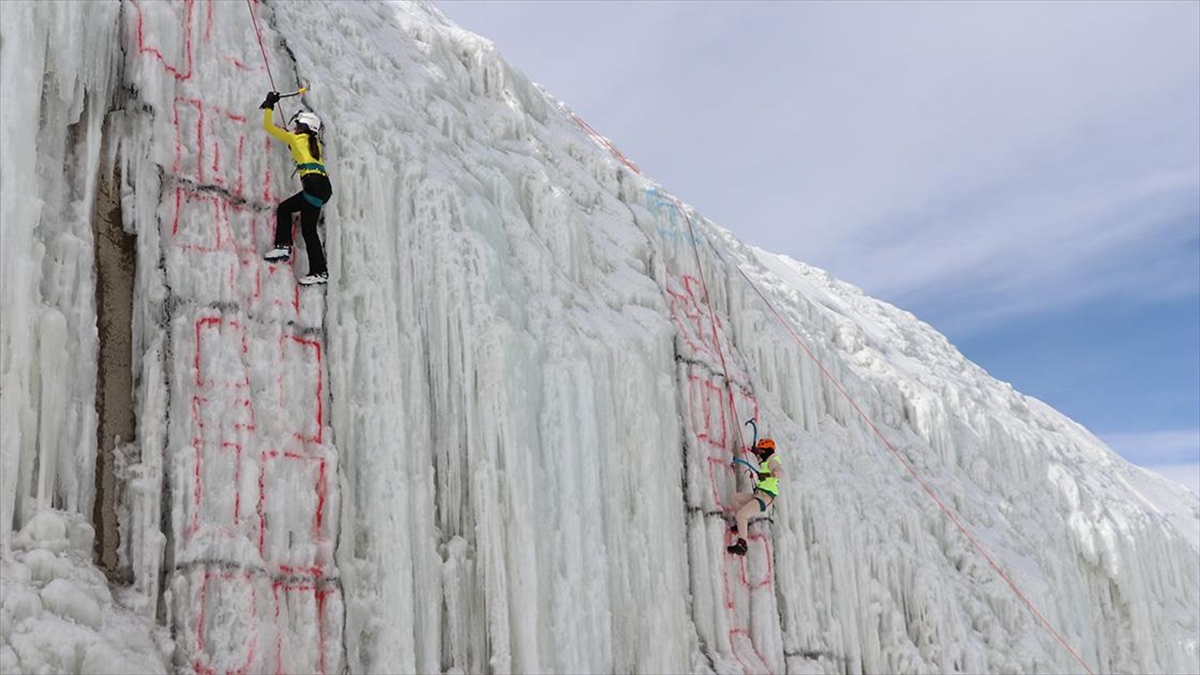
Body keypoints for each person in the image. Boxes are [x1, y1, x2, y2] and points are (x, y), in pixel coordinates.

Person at [260, 91, 332, 285]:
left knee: (298, 221)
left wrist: (269, 105)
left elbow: (267, 126)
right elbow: (301, 151)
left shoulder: (297, 139)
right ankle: (318, 270)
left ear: (304, 127)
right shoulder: (313, 142)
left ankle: (286, 250)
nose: (294, 127)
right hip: (322, 187)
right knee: (303, 224)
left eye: (297, 124)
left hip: (313, 186)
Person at [726, 438, 783, 555]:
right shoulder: (766, 461)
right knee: (734, 498)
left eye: (762, 451)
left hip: (765, 497)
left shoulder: (772, 461)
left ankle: (742, 545)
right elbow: (759, 458)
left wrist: (769, 474)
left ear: (767, 451)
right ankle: (741, 525)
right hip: (759, 495)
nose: (760, 453)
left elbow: (780, 472)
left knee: (742, 514)